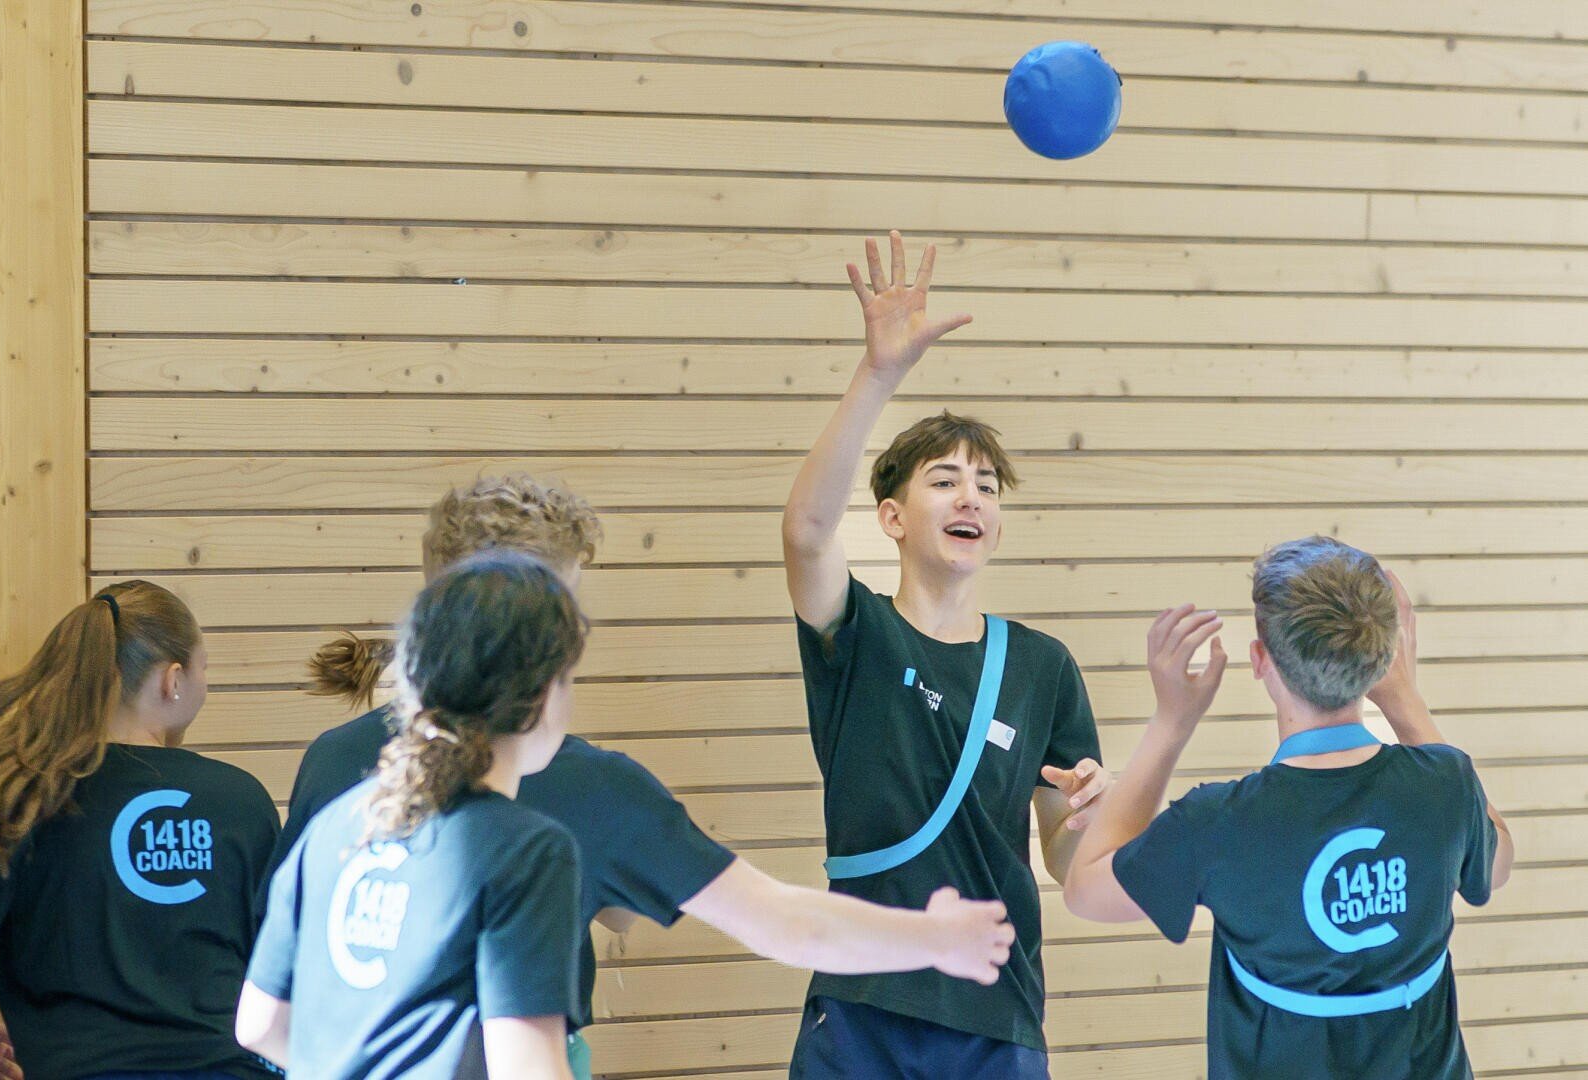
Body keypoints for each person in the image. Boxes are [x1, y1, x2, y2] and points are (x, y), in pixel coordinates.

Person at [277, 475, 1017, 1078]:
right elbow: (786, 921)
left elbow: (267, 1019)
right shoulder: (583, 796)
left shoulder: (337, 770)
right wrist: (930, 937)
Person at [780, 231, 1110, 1077]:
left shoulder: (1043, 667)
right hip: (861, 1005)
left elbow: (1068, 866)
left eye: (987, 487)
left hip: (993, 1014)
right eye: (943, 480)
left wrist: (1084, 818)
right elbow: (806, 532)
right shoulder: (856, 635)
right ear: (891, 517)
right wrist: (879, 372)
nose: (971, 496)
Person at [1064, 537, 1515, 1079]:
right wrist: (1403, 698)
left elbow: (1086, 892)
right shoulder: (1445, 783)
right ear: (1383, 655)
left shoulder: (1219, 820)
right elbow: (1498, 860)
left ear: (1261, 660)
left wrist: (1171, 722)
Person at [237, 551, 588, 1080]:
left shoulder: (335, 824)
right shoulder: (528, 851)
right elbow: (529, 1070)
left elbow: (259, 1025)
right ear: (542, 694)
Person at [0, 581, 279, 1080]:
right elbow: (280, 985)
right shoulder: (242, 799)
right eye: (204, 669)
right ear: (172, 680)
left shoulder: (18, 793)